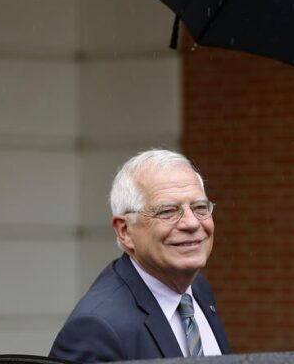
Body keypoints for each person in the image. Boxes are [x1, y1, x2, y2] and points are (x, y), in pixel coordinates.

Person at [49, 149, 231, 363]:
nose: (192, 223)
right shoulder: (96, 329)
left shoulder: (196, 288)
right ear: (125, 231)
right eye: (167, 211)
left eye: (200, 207)